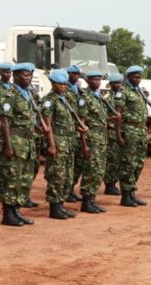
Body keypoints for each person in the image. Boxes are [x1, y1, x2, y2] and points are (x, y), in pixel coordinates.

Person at [0, 62, 48, 226]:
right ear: (16, 76)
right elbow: (4, 122)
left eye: (30, 75)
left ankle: (17, 210)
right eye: (26, 75)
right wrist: (9, 146)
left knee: (24, 179)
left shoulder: (28, 94)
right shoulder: (10, 95)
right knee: (12, 178)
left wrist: (39, 128)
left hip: (28, 142)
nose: (29, 78)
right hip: (15, 141)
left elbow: (30, 118)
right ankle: (8, 213)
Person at [41, 69, 80, 220]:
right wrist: (51, 144)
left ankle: (61, 205)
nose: (63, 87)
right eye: (59, 84)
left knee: (67, 176)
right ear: (52, 83)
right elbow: (47, 125)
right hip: (57, 141)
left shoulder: (63, 99)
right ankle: (54, 207)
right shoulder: (49, 100)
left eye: (64, 84)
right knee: (57, 175)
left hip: (68, 143)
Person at [77, 70, 111, 213]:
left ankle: (92, 199)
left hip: (101, 139)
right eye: (94, 80)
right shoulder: (85, 98)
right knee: (91, 170)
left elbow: (102, 121)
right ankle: (86, 201)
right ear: (88, 81)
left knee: (99, 171)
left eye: (99, 80)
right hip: (91, 139)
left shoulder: (99, 97)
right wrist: (84, 144)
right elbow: (82, 123)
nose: (97, 82)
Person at [119, 66, 150, 207]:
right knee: (129, 164)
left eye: (139, 77)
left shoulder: (139, 92)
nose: (137, 79)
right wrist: (119, 134)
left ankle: (132, 192)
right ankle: (125, 195)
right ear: (129, 77)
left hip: (141, 131)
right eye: (135, 77)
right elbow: (118, 115)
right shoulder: (123, 92)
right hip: (130, 130)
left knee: (139, 163)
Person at [104, 73, 125, 196]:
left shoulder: (121, 96)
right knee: (111, 159)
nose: (118, 85)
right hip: (111, 132)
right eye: (115, 83)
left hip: (121, 131)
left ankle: (114, 182)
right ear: (110, 84)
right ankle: (109, 184)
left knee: (118, 159)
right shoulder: (107, 98)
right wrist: (111, 118)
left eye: (119, 83)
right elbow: (102, 117)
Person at [66, 64, 84, 203]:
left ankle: (71, 189)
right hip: (68, 130)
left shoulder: (78, 89)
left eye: (78, 74)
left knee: (76, 162)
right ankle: (66, 191)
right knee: (67, 164)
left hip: (77, 131)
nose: (76, 76)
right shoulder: (64, 90)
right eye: (74, 74)